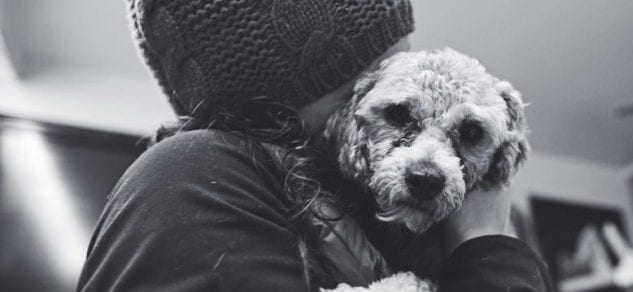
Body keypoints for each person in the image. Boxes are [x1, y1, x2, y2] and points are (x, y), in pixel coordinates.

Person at [78, 0, 554, 291]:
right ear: (275, 97)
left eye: (402, 57)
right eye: (364, 85)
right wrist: (486, 246)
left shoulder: (371, 218)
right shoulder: (187, 177)